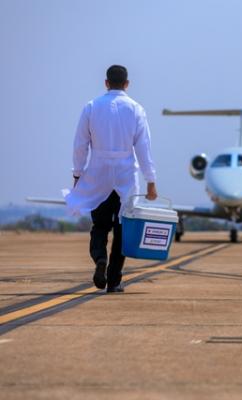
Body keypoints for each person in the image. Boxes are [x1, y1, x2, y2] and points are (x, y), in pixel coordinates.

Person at [64, 65, 158, 293]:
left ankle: (99, 259)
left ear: (106, 83)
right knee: (123, 229)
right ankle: (114, 280)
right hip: (126, 176)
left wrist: (77, 174)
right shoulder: (136, 109)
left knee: (100, 226)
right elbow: (144, 148)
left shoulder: (91, 107)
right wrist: (151, 180)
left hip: (98, 174)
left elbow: (80, 144)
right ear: (127, 84)